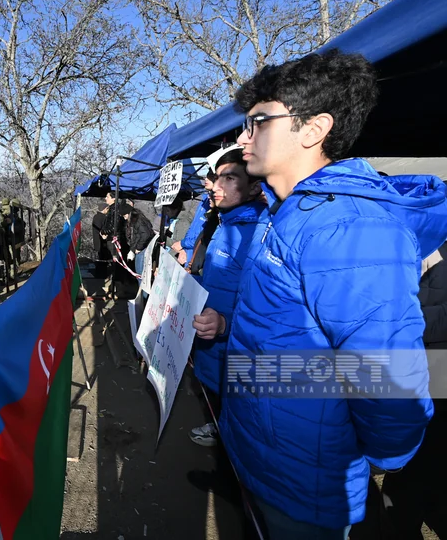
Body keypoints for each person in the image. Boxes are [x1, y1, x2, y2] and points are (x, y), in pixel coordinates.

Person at [220, 50, 444, 537]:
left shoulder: (349, 228)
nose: (242, 138)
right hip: (266, 453)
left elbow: (385, 376)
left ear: (314, 129)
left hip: (307, 478)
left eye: (258, 122)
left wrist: (385, 454)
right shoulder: (286, 214)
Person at [188, 148, 265, 447]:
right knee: (219, 405)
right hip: (214, 350)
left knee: (242, 432)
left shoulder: (257, 234)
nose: (216, 186)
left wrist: (224, 323)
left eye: (230, 178)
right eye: (217, 177)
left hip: (237, 356)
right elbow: (217, 282)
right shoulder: (226, 225)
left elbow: (266, 307)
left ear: (255, 187)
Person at [380, 240, 447, 538]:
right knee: (409, 470)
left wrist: (403, 321)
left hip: (435, 370)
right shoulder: (411, 240)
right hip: (412, 371)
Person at [121, 204, 155, 275]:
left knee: (140, 271)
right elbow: (136, 236)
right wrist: (132, 249)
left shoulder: (138, 221)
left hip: (142, 249)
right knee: (138, 271)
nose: (125, 218)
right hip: (140, 248)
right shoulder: (136, 220)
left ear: (129, 214)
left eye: (124, 216)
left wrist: (138, 248)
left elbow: (146, 234)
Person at [91, 202, 112, 278]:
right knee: (102, 261)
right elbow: (101, 230)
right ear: (105, 209)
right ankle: (101, 276)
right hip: (101, 242)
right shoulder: (102, 218)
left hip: (98, 242)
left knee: (101, 261)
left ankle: (100, 275)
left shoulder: (96, 217)